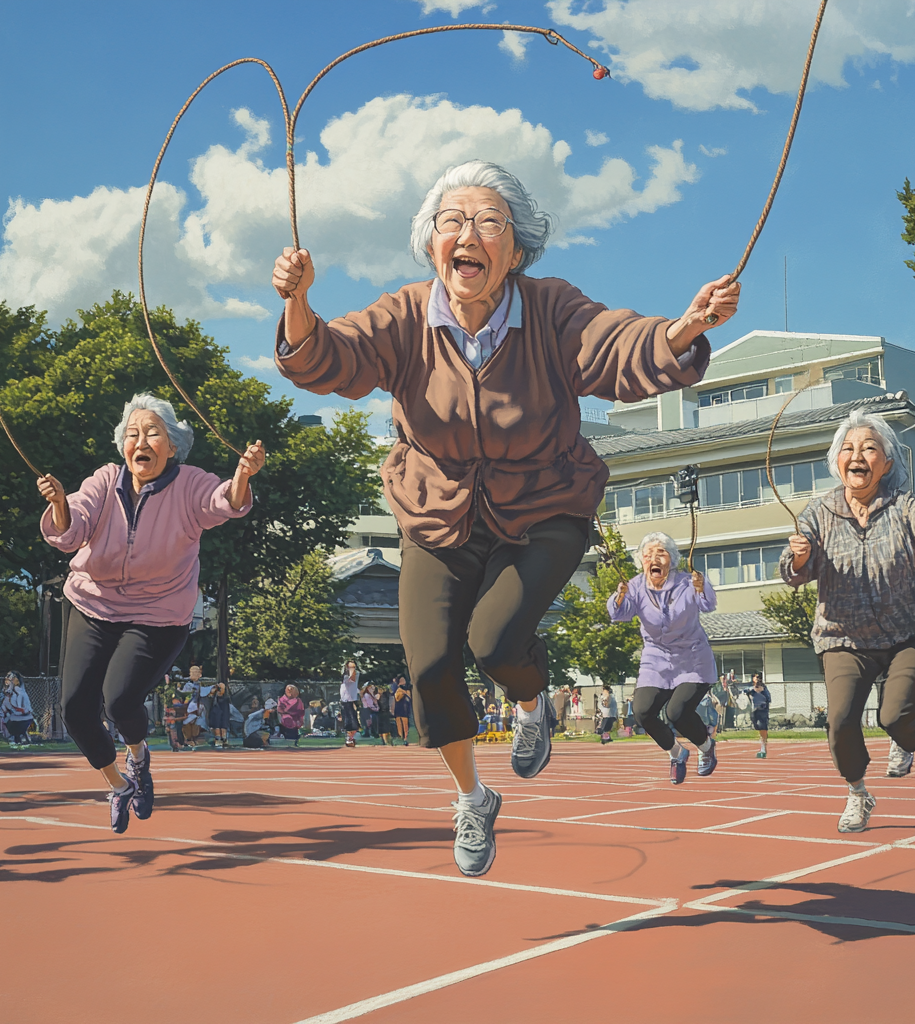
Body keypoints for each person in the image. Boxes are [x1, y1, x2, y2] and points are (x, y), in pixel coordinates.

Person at [272, 160, 736, 876]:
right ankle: (472, 797)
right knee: (429, 666)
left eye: (489, 222)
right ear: (431, 244)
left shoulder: (550, 309)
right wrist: (300, 303)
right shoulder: (403, 317)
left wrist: (682, 329)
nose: (469, 234)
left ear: (516, 250)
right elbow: (330, 359)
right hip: (437, 514)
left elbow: (614, 348)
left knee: (493, 641)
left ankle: (529, 703)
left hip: (545, 505)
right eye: (452, 221)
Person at [37, 392, 262, 832]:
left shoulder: (191, 483)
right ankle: (118, 784)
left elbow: (224, 503)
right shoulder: (104, 480)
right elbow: (72, 527)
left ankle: (140, 757)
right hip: (93, 602)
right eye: (133, 433)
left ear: (172, 445)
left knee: (119, 699)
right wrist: (61, 504)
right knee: (76, 708)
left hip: (158, 612)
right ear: (124, 445)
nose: (141, 440)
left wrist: (242, 475)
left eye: (153, 432)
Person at [780, 409, 915, 833]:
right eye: (848, 448)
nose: (857, 455)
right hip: (844, 634)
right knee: (840, 720)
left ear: (887, 462)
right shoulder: (818, 512)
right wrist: (801, 556)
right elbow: (794, 571)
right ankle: (859, 793)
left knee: (895, 716)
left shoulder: (903, 506)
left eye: (869, 448)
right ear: (836, 461)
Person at [607, 532, 720, 785]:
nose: (654, 558)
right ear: (642, 561)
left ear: (672, 560)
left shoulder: (686, 582)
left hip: (692, 657)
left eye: (661, 553)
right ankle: (677, 753)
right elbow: (619, 614)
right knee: (642, 712)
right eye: (648, 554)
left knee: (676, 712)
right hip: (655, 658)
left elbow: (708, 604)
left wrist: (702, 588)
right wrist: (621, 596)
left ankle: (706, 746)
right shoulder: (635, 586)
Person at [2, 672, 35, 747]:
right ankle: (18, 737)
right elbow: (6, 707)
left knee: (10, 719)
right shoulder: (10, 694)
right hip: (18, 717)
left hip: (22, 717)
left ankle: (20, 737)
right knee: (8, 718)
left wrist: (18, 710)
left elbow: (25, 709)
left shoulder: (19, 692)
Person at [744, 673, 772, 758]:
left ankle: (763, 747)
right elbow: (744, 692)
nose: (757, 679)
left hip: (762, 710)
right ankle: (762, 743)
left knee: (762, 727)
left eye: (758, 677)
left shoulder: (764, 689)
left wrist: (762, 691)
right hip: (754, 710)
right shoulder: (751, 689)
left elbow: (768, 699)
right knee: (757, 726)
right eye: (755, 677)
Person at [340, 661, 361, 748]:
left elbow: (354, 679)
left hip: (352, 700)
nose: (352, 669)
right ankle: (349, 738)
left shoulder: (356, 674)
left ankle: (351, 737)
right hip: (345, 701)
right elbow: (350, 679)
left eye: (353, 667)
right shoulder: (345, 676)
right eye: (350, 667)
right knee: (348, 722)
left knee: (355, 723)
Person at [209, 681, 232, 749]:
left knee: (223, 726)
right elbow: (209, 699)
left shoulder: (226, 698)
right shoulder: (214, 698)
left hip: (224, 713)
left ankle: (224, 739)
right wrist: (213, 691)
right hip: (216, 713)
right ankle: (218, 739)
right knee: (217, 725)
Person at [393, 676, 412, 746]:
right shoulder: (397, 689)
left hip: (405, 708)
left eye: (404, 680)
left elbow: (410, 697)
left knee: (405, 724)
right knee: (399, 723)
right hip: (398, 707)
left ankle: (405, 738)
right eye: (401, 680)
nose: (403, 681)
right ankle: (400, 736)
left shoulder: (408, 689)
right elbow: (397, 698)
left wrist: (405, 692)